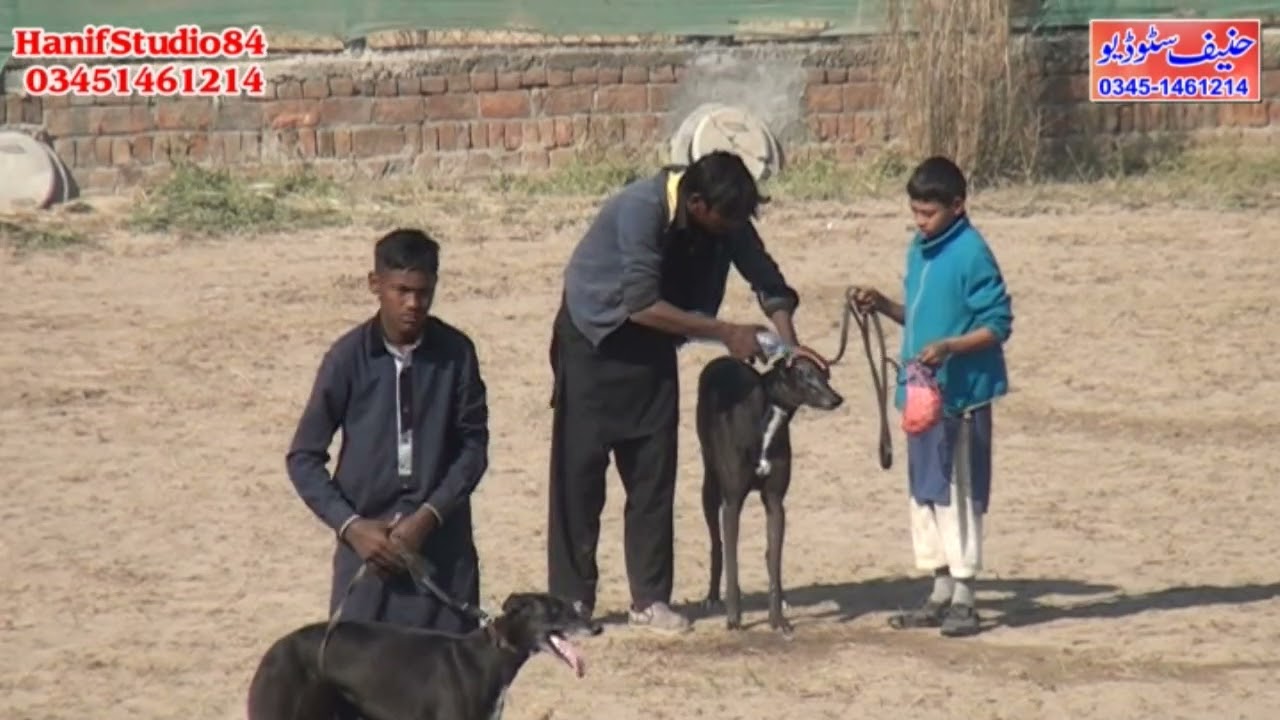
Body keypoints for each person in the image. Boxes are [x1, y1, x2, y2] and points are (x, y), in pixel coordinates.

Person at [546, 150, 827, 633]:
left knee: (654, 470)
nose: (731, 230)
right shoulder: (642, 210)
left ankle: (650, 599)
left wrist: (791, 346)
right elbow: (639, 303)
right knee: (580, 475)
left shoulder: (726, 216)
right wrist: (726, 332)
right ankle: (572, 603)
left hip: (655, 343)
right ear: (696, 204)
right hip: (596, 337)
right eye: (724, 221)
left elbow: (767, 281)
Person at [286, 228, 490, 637]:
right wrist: (352, 527)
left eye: (423, 291)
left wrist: (427, 517)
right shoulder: (346, 359)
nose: (413, 304)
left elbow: (473, 447)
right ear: (375, 285)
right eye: (401, 290)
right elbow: (304, 458)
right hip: (367, 561)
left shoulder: (456, 354)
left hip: (442, 555)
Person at [852, 156, 1013, 638]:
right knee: (925, 492)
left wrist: (950, 349)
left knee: (958, 492)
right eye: (916, 212)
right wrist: (881, 304)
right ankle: (940, 588)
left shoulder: (972, 253)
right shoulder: (918, 250)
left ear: (958, 206)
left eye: (928, 213)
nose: (920, 222)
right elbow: (920, 320)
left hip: (959, 398)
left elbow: (997, 324)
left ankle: (965, 592)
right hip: (919, 397)